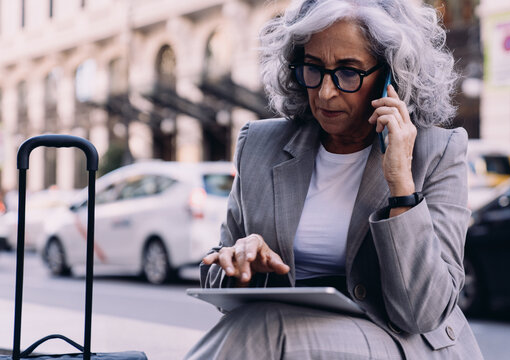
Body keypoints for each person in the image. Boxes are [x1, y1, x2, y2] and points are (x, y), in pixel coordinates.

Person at [185, 0, 484, 359]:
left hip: (399, 341)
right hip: (286, 332)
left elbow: (422, 312)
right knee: (262, 322)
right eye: (313, 69)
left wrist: (401, 185)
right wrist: (239, 262)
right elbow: (216, 274)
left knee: (265, 327)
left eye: (348, 72)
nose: (326, 92)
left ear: (392, 76)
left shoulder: (438, 152)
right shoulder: (260, 145)